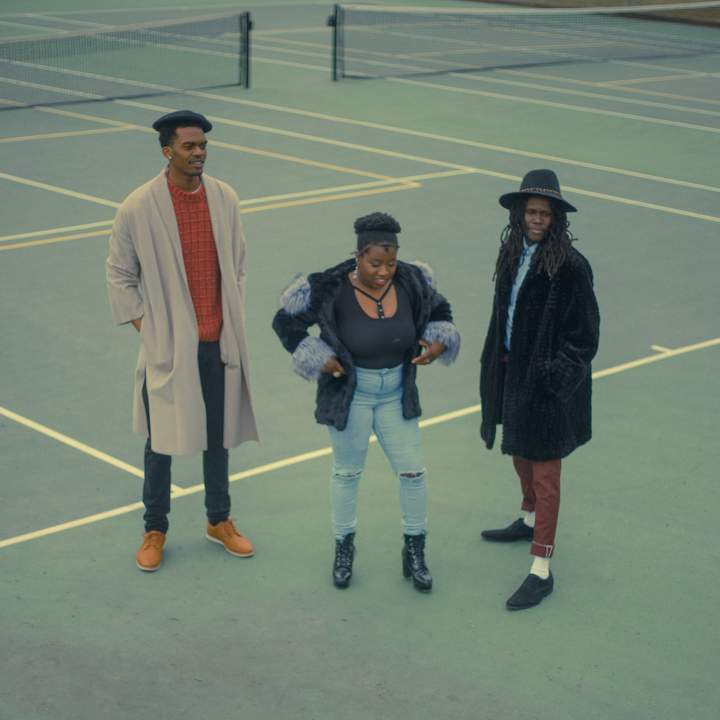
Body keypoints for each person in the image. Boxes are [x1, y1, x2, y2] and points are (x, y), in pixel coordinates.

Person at [272, 212, 460, 592]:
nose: (384, 272)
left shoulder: (412, 280)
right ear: (358, 255)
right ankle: (344, 549)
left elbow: (440, 309)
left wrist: (439, 340)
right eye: (375, 263)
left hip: (396, 395)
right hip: (351, 396)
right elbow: (285, 322)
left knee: (413, 473)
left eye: (391, 262)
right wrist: (317, 355)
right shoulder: (328, 287)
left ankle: (415, 551)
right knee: (347, 474)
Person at [106, 110, 259, 572]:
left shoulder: (225, 198)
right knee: (161, 444)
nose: (199, 153)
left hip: (218, 342)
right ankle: (155, 528)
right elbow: (119, 275)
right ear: (167, 151)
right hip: (169, 349)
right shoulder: (137, 207)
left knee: (218, 438)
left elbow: (238, 264)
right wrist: (152, 332)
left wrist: (229, 317)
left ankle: (218, 520)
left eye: (203, 145)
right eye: (189, 146)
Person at [479, 169, 599, 610]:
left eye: (544, 213)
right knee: (519, 453)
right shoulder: (511, 253)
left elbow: (585, 338)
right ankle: (527, 518)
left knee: (547, 476)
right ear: (519, 214)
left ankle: (541, 569)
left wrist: (552, 380)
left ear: (556, 219)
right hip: (511, 374)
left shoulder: (571, 267)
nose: (536, 219)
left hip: (548, 389)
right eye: (530, 211)